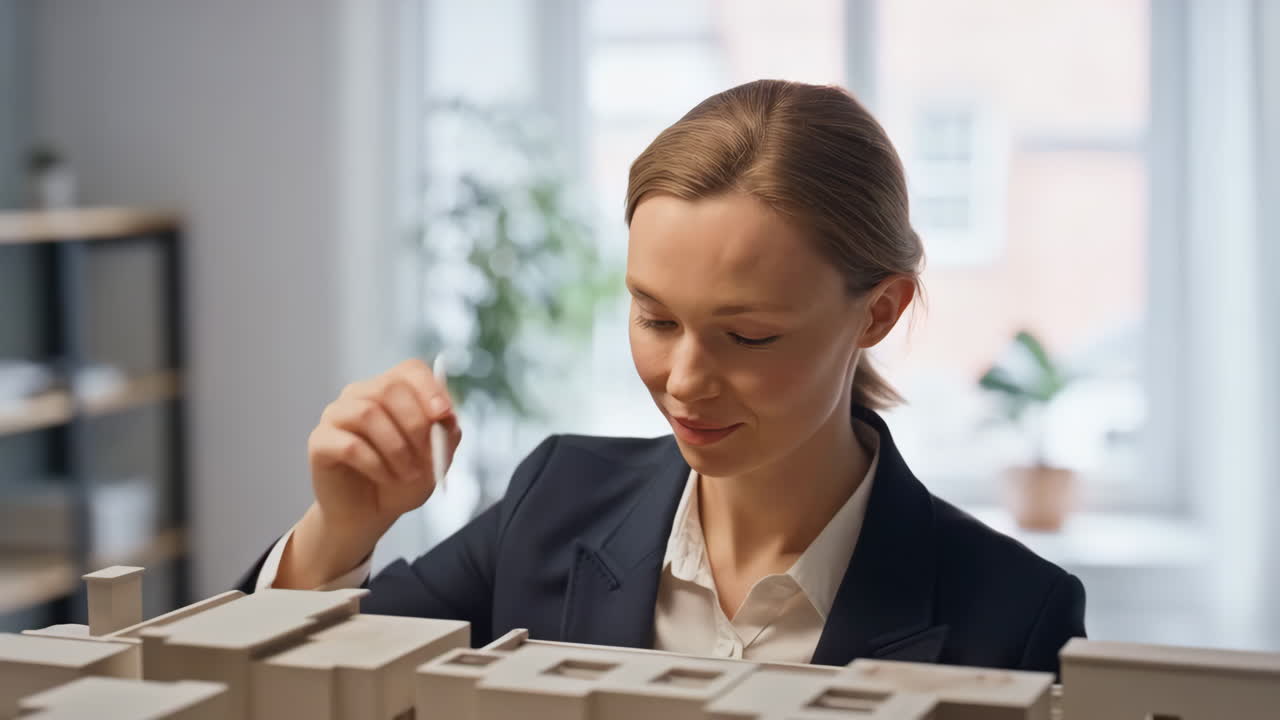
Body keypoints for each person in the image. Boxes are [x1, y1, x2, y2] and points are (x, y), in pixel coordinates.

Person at [238, 79, 1085, 674]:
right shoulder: (554, 500)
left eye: (747, 336)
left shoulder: (1013, 615)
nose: (684, 381)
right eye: (656, 318)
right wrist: (338, 531)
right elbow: (276, 689)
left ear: (879, 313)